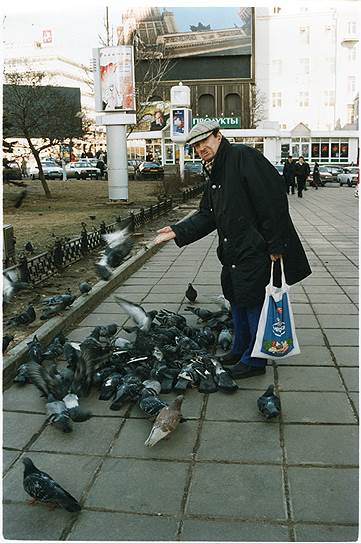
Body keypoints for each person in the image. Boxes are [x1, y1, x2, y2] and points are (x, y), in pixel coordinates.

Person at [154, 120, 311, 379]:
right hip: (233, 250)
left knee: (253, 302)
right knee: (236, 297)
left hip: (256, 248)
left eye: (205, 141)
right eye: (195, 145)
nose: (200, 148)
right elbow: (208, 214)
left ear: (218, 135)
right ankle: (239, 349)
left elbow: (272, 200)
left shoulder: (243, 157)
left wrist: (275, 244)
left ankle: (254, 360)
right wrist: (177, 230)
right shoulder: (216, 169)